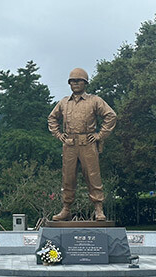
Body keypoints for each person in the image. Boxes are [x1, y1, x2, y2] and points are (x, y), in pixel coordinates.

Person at [48, 68, 116, 221]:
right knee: (68, 177)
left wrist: (100, 135)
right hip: (69, 144)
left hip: (88, 144)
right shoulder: (64, 102)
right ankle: (66, 208)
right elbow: (52, 119)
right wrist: (59, 135)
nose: (75, 83)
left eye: (79, 81)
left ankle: (99, 208)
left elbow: (111, 115)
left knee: (93, 176)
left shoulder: (94, 100)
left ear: (85, 83)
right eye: (72, 81)